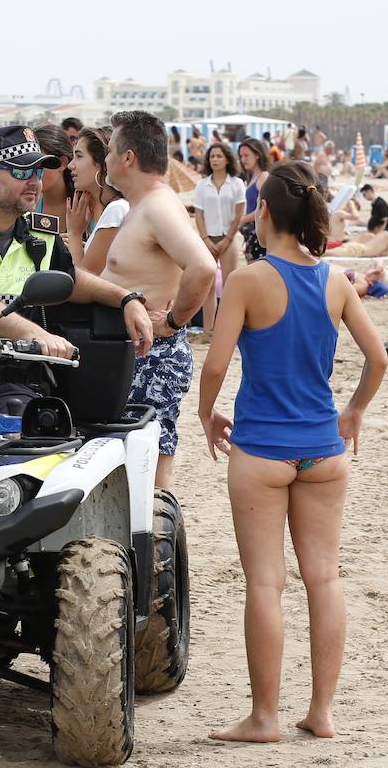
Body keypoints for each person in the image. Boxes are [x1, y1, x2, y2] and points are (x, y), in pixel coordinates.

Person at [199, 161, 387, 744]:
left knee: (264, 584)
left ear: (266, 213)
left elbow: (214, 363)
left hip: (261, 451)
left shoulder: (252, 278)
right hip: (324, 451)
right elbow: (378, 359)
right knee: (324, 579)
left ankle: (264, 719)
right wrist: (353, 411)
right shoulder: (334, 279)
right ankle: (322, 713)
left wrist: (208, 414)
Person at [0, 125, 153, 415]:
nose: (34, 181)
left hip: (5, 382)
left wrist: (126, 299)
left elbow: (70, 279)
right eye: (21, 172)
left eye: (38, 171)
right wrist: (38, 335)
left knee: (23, 435)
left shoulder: (42, 236)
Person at [100, 110, 217, 491]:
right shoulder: (144, 205)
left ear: (128, 157)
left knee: (149, 466)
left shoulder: (158, 206)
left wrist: (173, 323)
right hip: (135, 352)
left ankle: (157, 546)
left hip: (153, 354)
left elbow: (203, 267)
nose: (105, 160)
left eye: (109, 151)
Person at [192, 142, 247, 329]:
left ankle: (227, 327)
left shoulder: (237, 183)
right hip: (207, 240)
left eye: (219, 156)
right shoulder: (202, 184)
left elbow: (239, 213)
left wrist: (228, 239)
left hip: (228, 239)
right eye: (212, 156)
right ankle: (209, 328)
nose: (215, 159)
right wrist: (206, 239)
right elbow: (198, 214)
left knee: (229, 287)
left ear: (227, 159)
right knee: (207, 288)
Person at [64, 126, 129, 274]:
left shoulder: (117, 210)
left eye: (79, 156)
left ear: (102, 162)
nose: (70, 165)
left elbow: (85, 281)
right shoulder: (110, 208)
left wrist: (74, 234)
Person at [237, 137, 272, 263]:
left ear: (257, 155)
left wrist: (240, 220)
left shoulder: (263, 176)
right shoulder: (253, 176)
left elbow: (263, 208)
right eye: (241, 156)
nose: (243, 159)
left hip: (259, 234)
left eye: (246, 155)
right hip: (252, 233)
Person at [32, 124, 73, 228]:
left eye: (39, 164)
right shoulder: (28, 206)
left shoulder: (88, 205)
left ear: (62, 163)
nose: (32, 173)